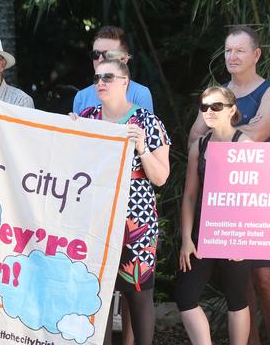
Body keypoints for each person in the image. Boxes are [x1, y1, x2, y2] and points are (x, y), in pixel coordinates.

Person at [187, 26, 270, 345]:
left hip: (259, 200)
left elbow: (256, 135)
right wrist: (228, 133)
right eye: (228, 50)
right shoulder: (218, 93)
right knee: (240, 283)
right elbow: (194, 139)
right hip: (223, 203)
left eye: (240, 50)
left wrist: (220, 132)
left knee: (264, 277)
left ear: (256, 55)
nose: (232, 56)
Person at [76, 59, 170, 344]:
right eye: (97, 78)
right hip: (95, 218)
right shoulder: (86, 118)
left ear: (125, 82)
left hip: (136, 221)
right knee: (97, 293)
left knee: (139, 293)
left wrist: (141, 146)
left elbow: (161, 177)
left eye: (108, 77)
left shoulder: (147, 121)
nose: (100, 82)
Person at [175, 86, 252, 345]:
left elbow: (258, 197)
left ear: (231, 110)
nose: (209, 111)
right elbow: (189, 196)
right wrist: (187, 238)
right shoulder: (200, 144)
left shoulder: (245, 144)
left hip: (234, 231)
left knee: (237, 298)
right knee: (185, 296)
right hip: (202, 230)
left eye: (216, 106)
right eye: (204, 106)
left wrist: (243, 237)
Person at [73, 26, 153, 115]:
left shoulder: (140, 94)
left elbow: (146, 127)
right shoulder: (81, 97)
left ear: (124, 59)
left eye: (107, 54)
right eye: (95, 54)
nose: (100, 60)